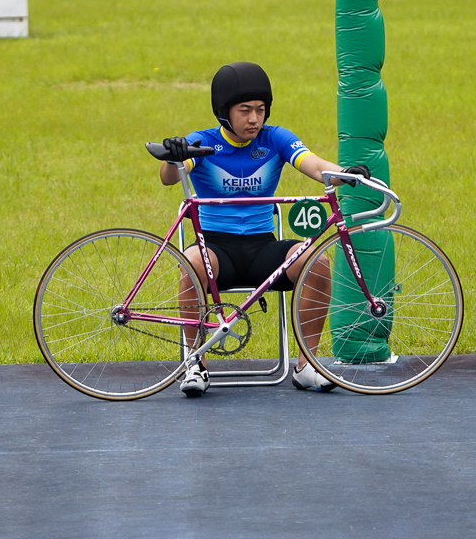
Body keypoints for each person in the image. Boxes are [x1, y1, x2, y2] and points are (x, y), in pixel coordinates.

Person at [155, 61, 370, 396]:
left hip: (261, 248)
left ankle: (307, 365)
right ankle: (195, 363)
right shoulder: (203, 141)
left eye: (260, 110)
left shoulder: (276, 139)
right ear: (223, 112)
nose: (254, 119)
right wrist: (173, 158)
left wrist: (344, 173)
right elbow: (170, 178)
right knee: (191, 261)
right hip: (215, 249)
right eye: (245, 111)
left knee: (316, 260)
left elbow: (312, 164)